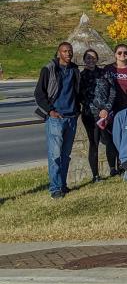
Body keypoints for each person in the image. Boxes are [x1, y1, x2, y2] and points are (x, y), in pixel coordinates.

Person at [34, 42, 81, 198]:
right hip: (56, 118)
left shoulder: (74, 69)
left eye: (70, 51)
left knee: (65, 155)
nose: (68, 54)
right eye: (65, 51)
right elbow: (39, 94)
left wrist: (78, 110)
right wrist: (50, 111)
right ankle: (55, 189)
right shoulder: (49, 69)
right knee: (55, 156)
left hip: (71, 117)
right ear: (58, 53)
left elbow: (77, 91)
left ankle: (62, 185)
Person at [79, 49, 116, 183]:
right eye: (88, 58)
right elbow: (82, 97)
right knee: (94, 143)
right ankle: (96, 175)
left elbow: (112, 90)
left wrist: (106, 108)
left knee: (110, 140)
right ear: (84, 61)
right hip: (91, 115)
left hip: (107, 114)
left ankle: (113, 168)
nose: (91, 60)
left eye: (93, 58)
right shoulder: (81, 76)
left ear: (97, 59)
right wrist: (98, 110)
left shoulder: (104, 73)